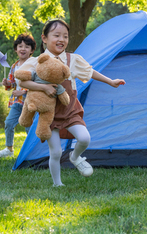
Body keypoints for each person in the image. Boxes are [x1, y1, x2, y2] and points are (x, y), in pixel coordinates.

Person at [17, 19, 125, 187]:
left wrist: (110, 81)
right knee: (56, 152)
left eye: (65, 36)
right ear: (44, 38)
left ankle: (75, 157)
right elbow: (23, 82)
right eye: (57, 35)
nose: (62, 39)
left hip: (69, 108)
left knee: (84, 138)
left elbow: (90, 72)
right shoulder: (37, 61)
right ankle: (57, 184)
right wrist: (43, 88)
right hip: (50, 112)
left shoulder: (73, 59)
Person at [0, 33, 36, 158]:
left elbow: (37, 83)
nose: (23, 49)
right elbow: (12, 84)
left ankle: (32, 151)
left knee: (29, 127)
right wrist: (8, 83)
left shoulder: (34, 64)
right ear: (16, 49)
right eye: (20, 46)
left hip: (30, 101)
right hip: (17, 101)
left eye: (27, 46)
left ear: (32, 50)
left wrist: (23, 91)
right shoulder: (14, 66)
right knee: (9, 123)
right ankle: (9, 149)